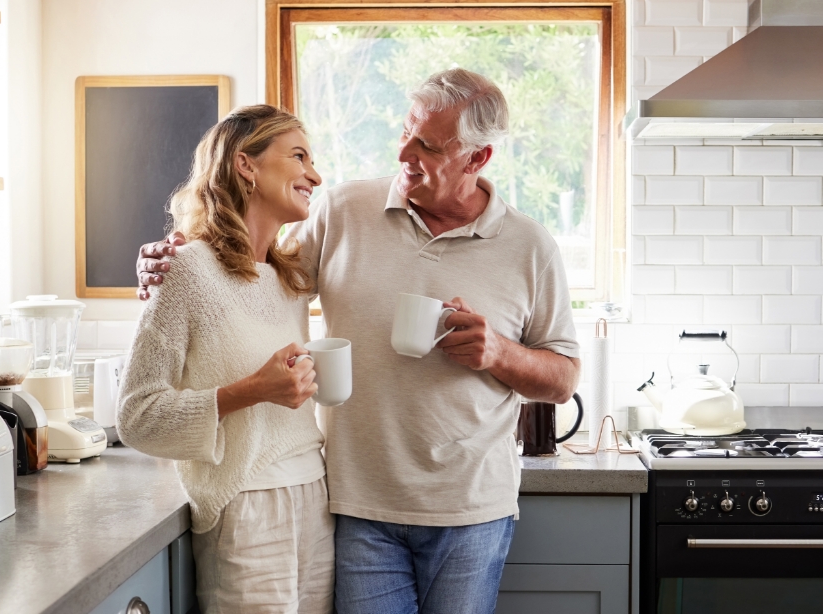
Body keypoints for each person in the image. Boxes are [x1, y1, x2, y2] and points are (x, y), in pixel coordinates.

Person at [136, 69, 581, 613]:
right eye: (405, 133)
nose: (405, 154)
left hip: (472, 511)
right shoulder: (342, 211)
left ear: (476, 158)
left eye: (428, 146)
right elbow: (251, 269)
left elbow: (563, 379)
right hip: (355, 506)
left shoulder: (530, 247)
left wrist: (499, 352)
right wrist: (174, 253)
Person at [117, 105, 336, 613]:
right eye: (298, 156)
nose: (315, 174)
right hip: (245, 507)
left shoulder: (291, 280)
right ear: (246, 165)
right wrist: (253, 390)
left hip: (314, 498)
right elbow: (136, 416)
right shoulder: (186, 269)